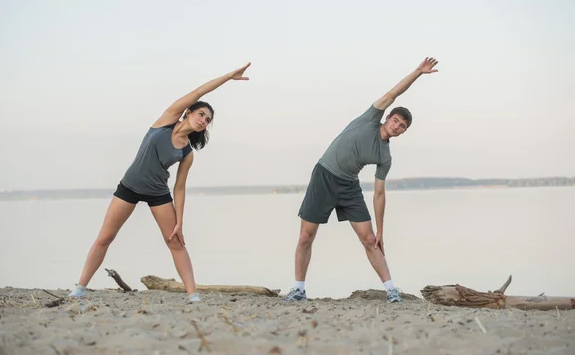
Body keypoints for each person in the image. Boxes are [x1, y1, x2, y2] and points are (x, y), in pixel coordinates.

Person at [68, 63, 252, 302]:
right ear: (188, 113)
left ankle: (193, 295)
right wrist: (228, 77)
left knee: (176, 242)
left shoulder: (187, 152)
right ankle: (80, 288)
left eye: (208, 120)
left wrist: (180, 221)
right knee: (105, 238)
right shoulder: (167, 120)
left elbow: (179, 187)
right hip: (129, 187)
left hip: (158, 194)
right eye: (201, 115)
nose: (204, 121)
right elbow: (198, 92)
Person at [283, 57, 439, 303]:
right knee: (306, 236)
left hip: (348, 187)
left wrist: (381, 231)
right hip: (323, 176)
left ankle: (391, 291)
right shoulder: (369, 119)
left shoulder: (385, 156)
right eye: (395, 120)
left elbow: (379, 193)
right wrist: (418, 72)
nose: (397, 126)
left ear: (403, 132)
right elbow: (393, 93)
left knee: (369, 239)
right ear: (387, 118)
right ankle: (299, 289)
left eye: (402, 126)